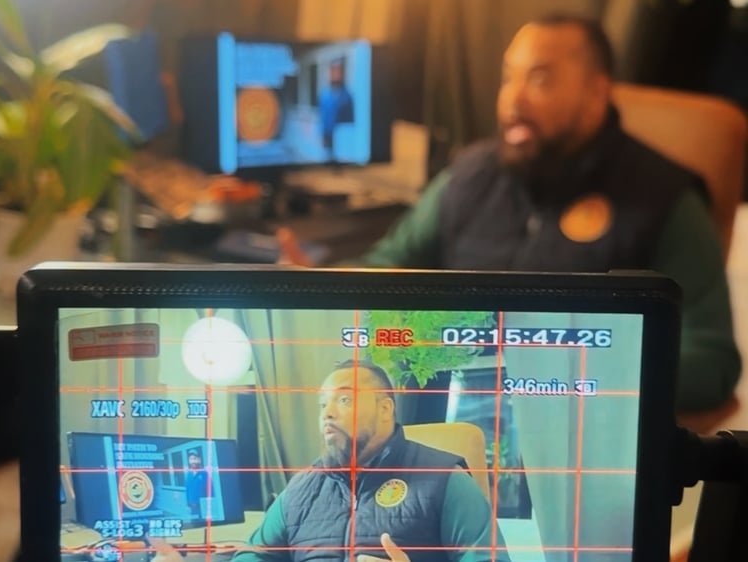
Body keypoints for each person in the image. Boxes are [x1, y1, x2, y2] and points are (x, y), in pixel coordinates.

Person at [278, 14, 741, 414]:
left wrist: (582, 375)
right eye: (508, 78)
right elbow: (388, 266)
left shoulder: (666, 199)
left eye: (539, 80)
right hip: (451, 403)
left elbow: (711, 360)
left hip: (577, 425)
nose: (513, 100)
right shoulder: (468, 175)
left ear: (596, 92)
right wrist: (316, 289)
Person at [150, 360, 509, 562]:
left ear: (386, 409)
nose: (328, 413)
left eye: (344, 400)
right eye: (323, 404)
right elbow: (255, 555)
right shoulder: (300, 489)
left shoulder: (446, 479)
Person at [318, 58, 355, 159]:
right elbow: (322, 117)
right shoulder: (324, 95)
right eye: (333, 70)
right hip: (328, 137)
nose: (335, 74)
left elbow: (351, 119)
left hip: (343, 139)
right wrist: (322, 135)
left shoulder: (348, 96)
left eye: (338, 70)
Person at [185, 449, 209, 521]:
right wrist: (188, 505)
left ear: (199, 460)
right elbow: (187, 491)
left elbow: (209, 491)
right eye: (191, 459)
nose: (193, 461)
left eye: (195, 458)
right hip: (192, 507)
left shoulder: (204, 473)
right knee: (194, 523)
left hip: (203, 507)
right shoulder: (188, 474)